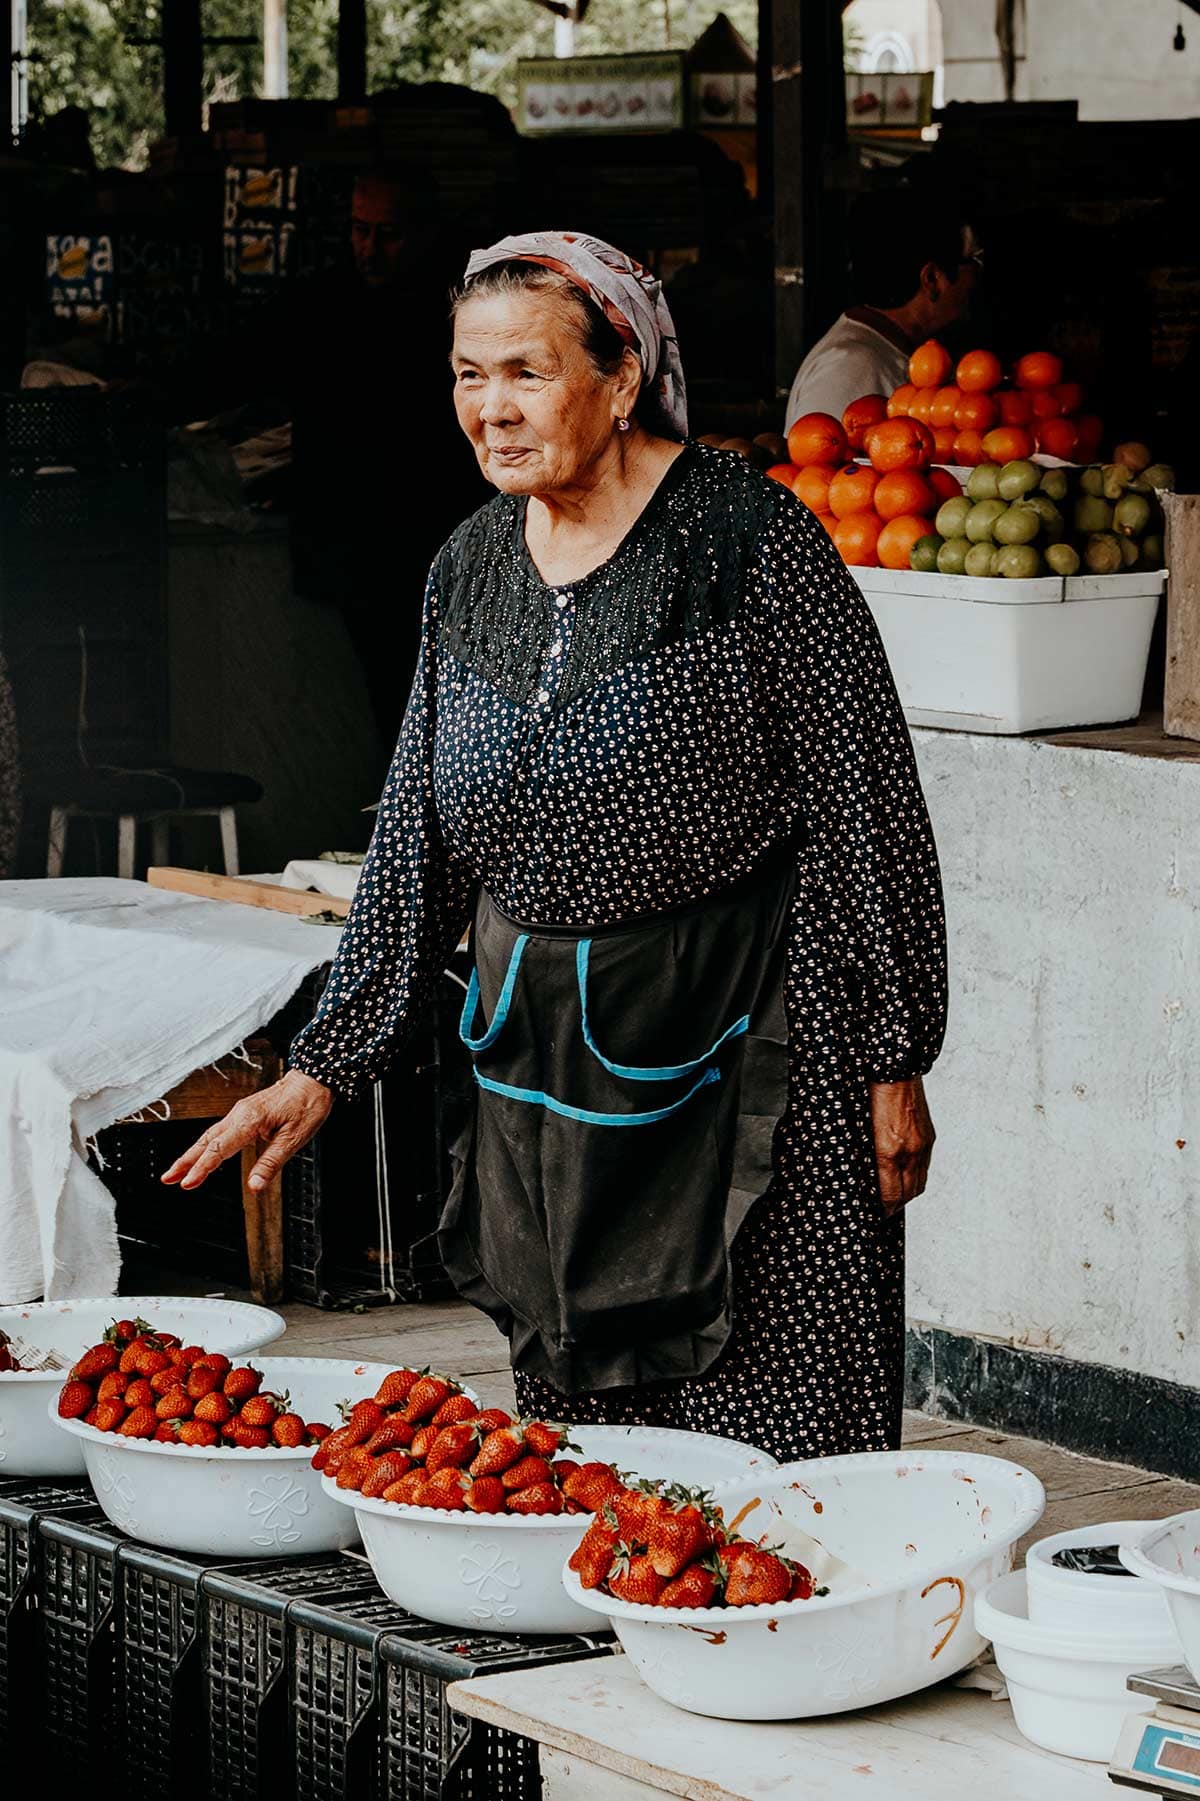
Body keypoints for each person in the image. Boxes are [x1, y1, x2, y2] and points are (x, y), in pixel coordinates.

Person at [164, 230, 947, 1463]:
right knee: (594, 1456)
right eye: (469, 376)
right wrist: (326, 1063)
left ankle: (800, 1637)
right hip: (553, 1076)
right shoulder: (468, 566)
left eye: (525, 371)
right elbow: (419, 836)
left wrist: (894, 1057)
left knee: (777, 1441)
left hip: (752, 1054)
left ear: (622, 374)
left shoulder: (751, 545)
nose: (492, 409)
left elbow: (868, 810)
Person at [287, 164, 488, 749]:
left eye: (388, 234)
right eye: (359, 230)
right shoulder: (325, 304)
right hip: (359, 553)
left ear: (424, 232)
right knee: (396, 716)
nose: (369, 248)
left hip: (437, 541)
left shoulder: (458, 313)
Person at [786, 186, 983, 430]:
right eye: (974, 260)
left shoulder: (907, 352)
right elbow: (816, 459)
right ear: (932, 279)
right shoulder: (851, 368)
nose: (978, 274)